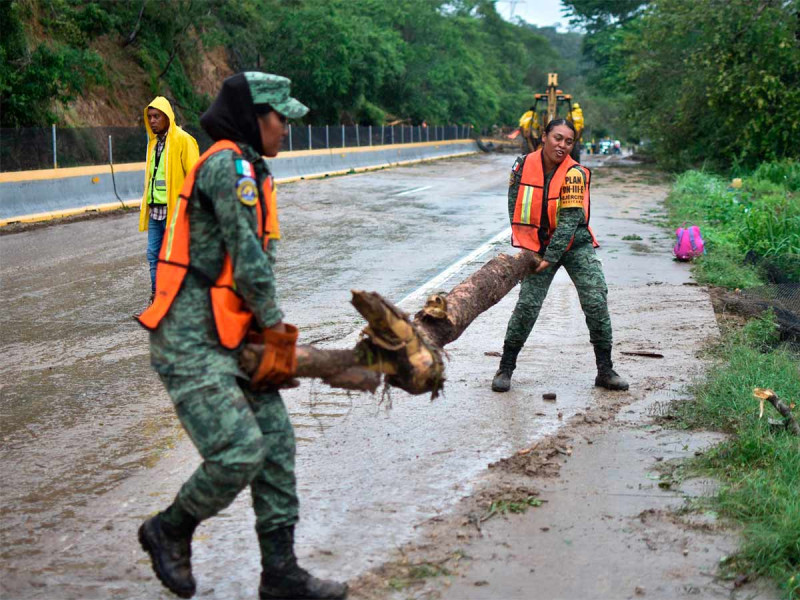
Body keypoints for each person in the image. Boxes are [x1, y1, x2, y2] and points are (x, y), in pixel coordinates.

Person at [136, 73, 347, 600]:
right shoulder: (229, 168)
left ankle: (281, 573)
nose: (287, 131)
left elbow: (247, 268)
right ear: (255, 117)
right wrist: (277, 332)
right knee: (239, 452)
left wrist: (261, 337)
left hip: (230, 338)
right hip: (189, 342)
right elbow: (250, 262)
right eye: (281, 119)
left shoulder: (251, 168)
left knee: (276, 447)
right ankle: (170, 527)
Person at [492, 118, 628, 393]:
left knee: (595, 299)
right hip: (538, 247)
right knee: (527, 306)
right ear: (544, 136)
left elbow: (567, 224)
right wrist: (527, 245)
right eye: (557, 138)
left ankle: (605, 370)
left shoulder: (574, 173)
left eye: (568, 141)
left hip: (575, 245)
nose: (562, 145)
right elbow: (513, 205)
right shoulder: (521, 166)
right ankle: (505, 368)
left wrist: (550, 258)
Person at [139, 97, 199, 304]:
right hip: (156, 209)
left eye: (157, 116)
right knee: (154, 255)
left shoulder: (183, 140)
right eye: (150, 117)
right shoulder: (153, 144)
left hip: (176, 210)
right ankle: (158, 300)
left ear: (168, 117)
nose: (152, 120)